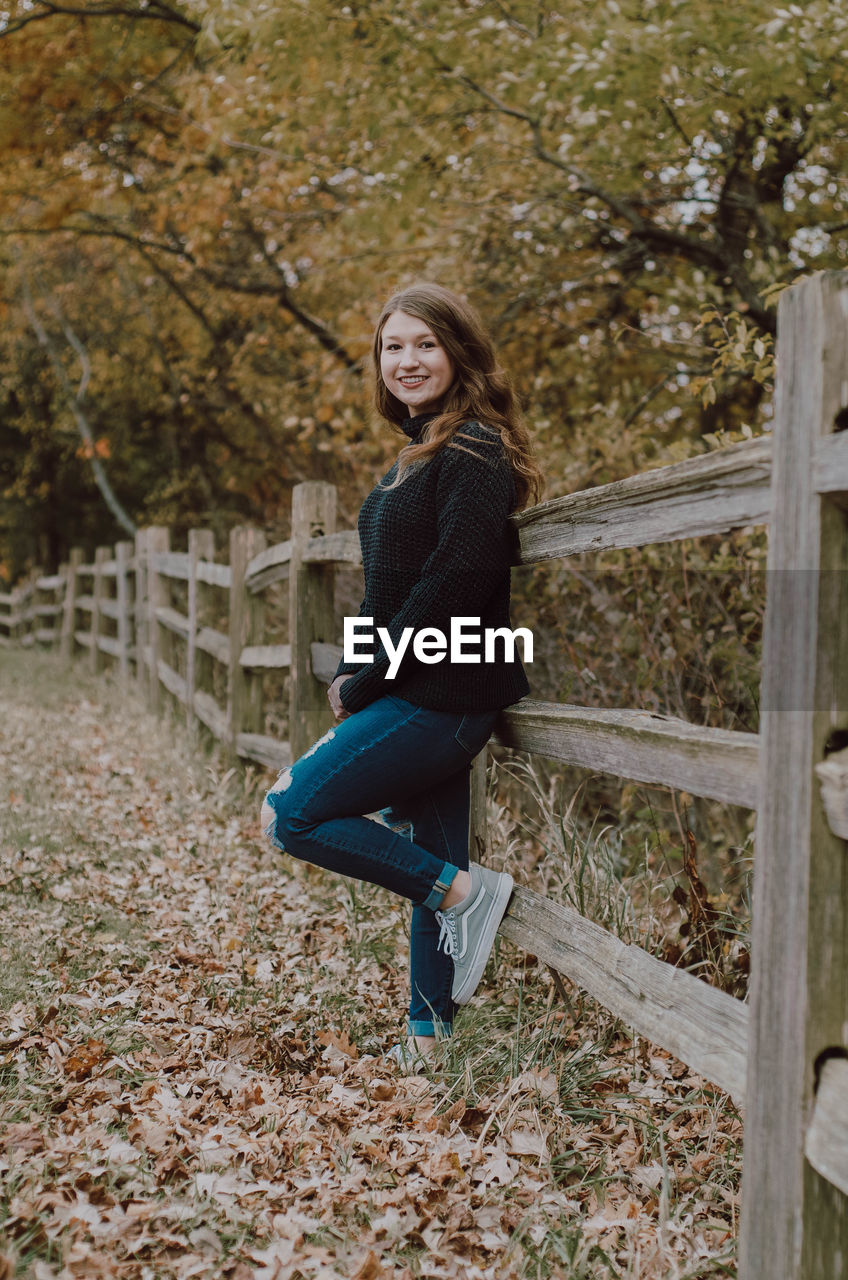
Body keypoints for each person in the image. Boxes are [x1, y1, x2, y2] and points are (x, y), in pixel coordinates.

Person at [261, 282, 543, 1069]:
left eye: (425, 344)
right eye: (394, 347)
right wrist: (360, 664)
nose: (408, 360)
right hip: (414, 689)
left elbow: (452, 581)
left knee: (290, 814)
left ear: (458, 351)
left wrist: (364, 682)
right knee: (430, 853)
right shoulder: (416, 455)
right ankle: (429, 1048)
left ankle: (470, 896)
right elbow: (384, 590)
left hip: (446, 695)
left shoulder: (476, 451)